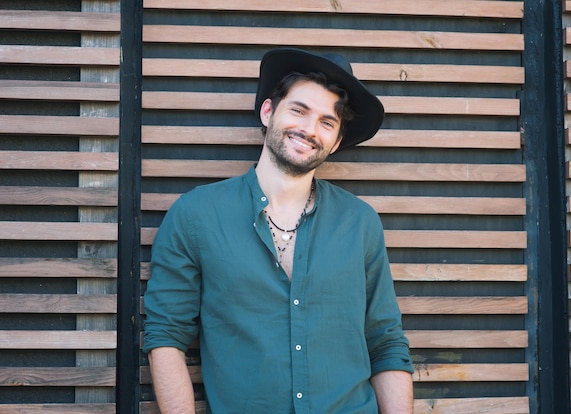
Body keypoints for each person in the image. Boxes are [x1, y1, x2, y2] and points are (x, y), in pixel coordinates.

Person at [143, 48, 414, 413]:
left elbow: (385, 343)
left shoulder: (360, 222)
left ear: (335, 142)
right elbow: (165, 337)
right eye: (299, 110)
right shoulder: (196, 215)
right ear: (269, 111)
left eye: (327, 122)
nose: (309, 130)